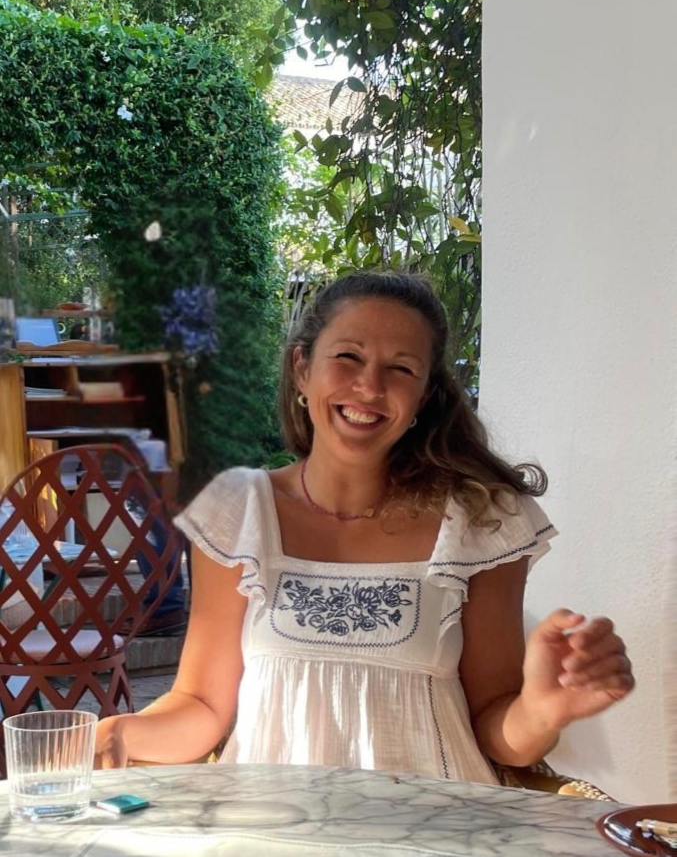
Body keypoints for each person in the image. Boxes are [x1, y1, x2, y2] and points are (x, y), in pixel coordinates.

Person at [95, 271, 634, 781]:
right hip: (269, 831)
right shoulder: (237, 510)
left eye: (401, 368)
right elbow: (203, 707)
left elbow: (496, 730)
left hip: (433, 833)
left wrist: (542, 711)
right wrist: (119, 731)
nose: (370, 387)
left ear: (423, 396)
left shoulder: (479, 520)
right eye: (347, 356)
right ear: (302, 369)